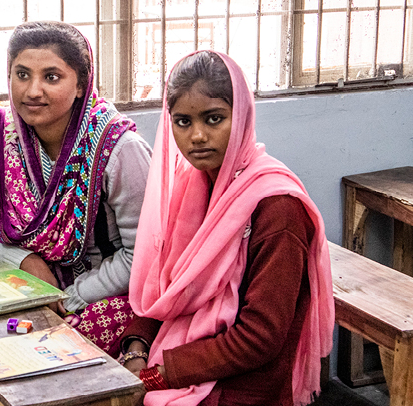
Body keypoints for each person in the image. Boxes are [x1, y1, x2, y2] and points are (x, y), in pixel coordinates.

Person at [0, 21, 152, 406]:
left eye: (51, 76)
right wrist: (23, 260)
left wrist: (69, 298)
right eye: (22, 75)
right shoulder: (2, 136)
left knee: (33, 378)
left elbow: (144, 259)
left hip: (104, 296)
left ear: (81, 84)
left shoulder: (120, 149)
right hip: (31, 293)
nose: (32, 91)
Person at [118, 51, 334, 406]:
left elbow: (259, 339)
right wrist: (136, 348)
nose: (197, 136)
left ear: (242, 117)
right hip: (186, 356)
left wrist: (158, 376)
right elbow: (168, 291)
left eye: (214, 118)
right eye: (183, 122)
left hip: (245, 384)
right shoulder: (193, 189)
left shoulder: (277, 209)